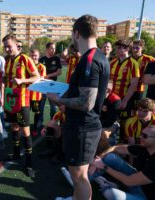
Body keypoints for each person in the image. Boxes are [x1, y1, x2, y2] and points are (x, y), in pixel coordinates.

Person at [49, 15, 110, 200]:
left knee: (80, 177)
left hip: (83, 127)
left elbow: (86, 103)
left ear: (76, 33)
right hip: (84, 126)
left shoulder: (90, 59)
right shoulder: (96, 56)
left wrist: (59, 100)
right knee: (78, 175)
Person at [2, 34, 40, 178]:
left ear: (16, 45)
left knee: (25, 131)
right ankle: (16, 155)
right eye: (5, 46)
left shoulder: (25, 58)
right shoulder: (7, 61)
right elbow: (6, 79)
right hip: (10, 99)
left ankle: (29, 163)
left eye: (9, 46)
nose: (7, 48)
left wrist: (22, 80)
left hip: (23, 101)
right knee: (13, 127)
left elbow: (37, 77)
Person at [91, 124, 155, 200]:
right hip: (137, 181)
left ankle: (107, 185)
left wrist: (104, 167)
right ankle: (86, 177)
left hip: (145, 196)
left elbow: (128, 181)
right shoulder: (145, 148)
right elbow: (115, 148)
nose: (140, 137)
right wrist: (97, 161)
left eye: (145, 136)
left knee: (111, 194)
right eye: (141, 134)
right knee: (110, 157)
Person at [39, 42, 62, 125]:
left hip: (53, 86)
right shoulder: (41, 59)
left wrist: (48, 75)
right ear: (47, 49)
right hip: (43, 85)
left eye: (54, 48)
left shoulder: (56, 59)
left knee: (53, 107)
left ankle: (53, 122)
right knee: (41, 105)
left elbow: (59, 72)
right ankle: (40, 121)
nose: (53, 50)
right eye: (52, 48)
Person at [97, 81, 121, 155]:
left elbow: (111, 120)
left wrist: (96, 126)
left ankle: (103, 156)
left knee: (103, 134)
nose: (106, 90)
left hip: (112, 123)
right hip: (97, 122)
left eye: (109, 89)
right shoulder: (95, 96)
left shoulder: (115, 99)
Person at [131, 40, 155, 104]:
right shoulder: (128, 60)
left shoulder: (150, 59)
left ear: (142, 48)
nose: (135, 50)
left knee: (139, 109)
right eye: (133, 48)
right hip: (128, 88)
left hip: (141, 89)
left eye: (137, 48)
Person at [29, 49, 46, 136]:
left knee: (37, 113)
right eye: (32, 55)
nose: (34, 57)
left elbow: (41, 80)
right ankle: (25, 128)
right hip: (27, 95)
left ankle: (35, 128)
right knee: (25, 113)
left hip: (37, 95)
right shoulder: (27, 66)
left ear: (38, 56)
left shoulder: (42, 67)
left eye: (35, 55)